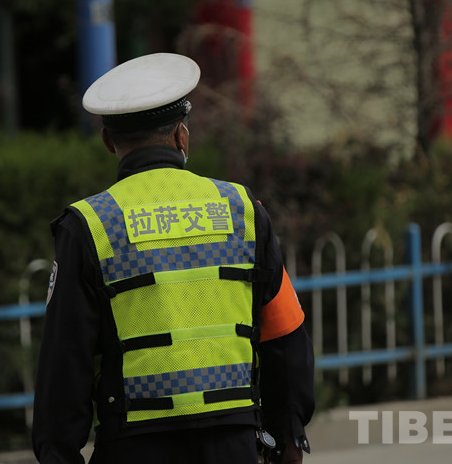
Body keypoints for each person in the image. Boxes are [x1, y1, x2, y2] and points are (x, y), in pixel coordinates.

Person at [32, 53, 315, 464]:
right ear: (182, 135)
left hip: (134, 445)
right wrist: (289, 434)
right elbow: (284, 333)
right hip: (233, 443)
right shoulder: (242, 210)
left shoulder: (91, 226)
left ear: (109, 142)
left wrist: (58, 453)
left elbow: (65, 359)